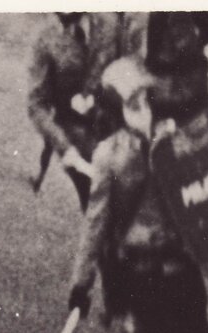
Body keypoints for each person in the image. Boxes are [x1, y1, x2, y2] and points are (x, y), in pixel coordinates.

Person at [70, 57, 208, 333]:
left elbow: (199, 184)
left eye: (145, 98)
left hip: (180, 261)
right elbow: (95, 225)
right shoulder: (109, 157)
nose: (143, 108)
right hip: (144, 272)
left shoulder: (171, 139)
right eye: (132, 102)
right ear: (117, 109)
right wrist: (80, 283)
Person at [27, 13, 138, 210]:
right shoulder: (45, 39)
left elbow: (131, 68)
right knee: (96, 206)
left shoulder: (110, 24)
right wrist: (65, 148)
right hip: (77, 136)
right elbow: (36, 104)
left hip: (118, 127)